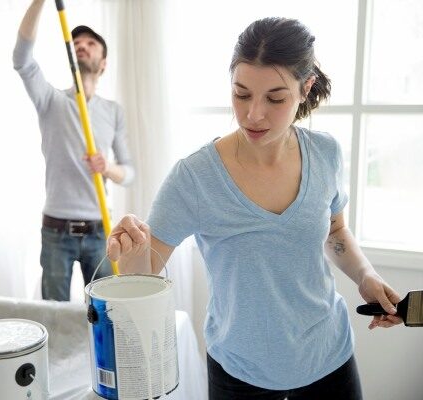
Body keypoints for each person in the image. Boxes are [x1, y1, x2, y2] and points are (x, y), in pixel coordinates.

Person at [107, 17, 402, 400]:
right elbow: (142, 275)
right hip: (240, 374)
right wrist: (130, 253)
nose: (253, 114)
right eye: (241, 94)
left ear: (305, 88)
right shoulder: (195, 177)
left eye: (275, 98)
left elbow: (334, 231)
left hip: (329, 359)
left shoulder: (325, 153)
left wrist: (365, 276)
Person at [14, 0, 134, 301]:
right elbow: (21, 59)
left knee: (106, 314)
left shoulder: (112, 111)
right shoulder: (51, 101)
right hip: (56, 231)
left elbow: (129, 173)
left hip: (99, 229)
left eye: (91, 43)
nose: (82, 45)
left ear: (103, 62)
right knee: (54, 315)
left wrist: (107, 167)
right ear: (69, 53)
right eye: (76, 42)